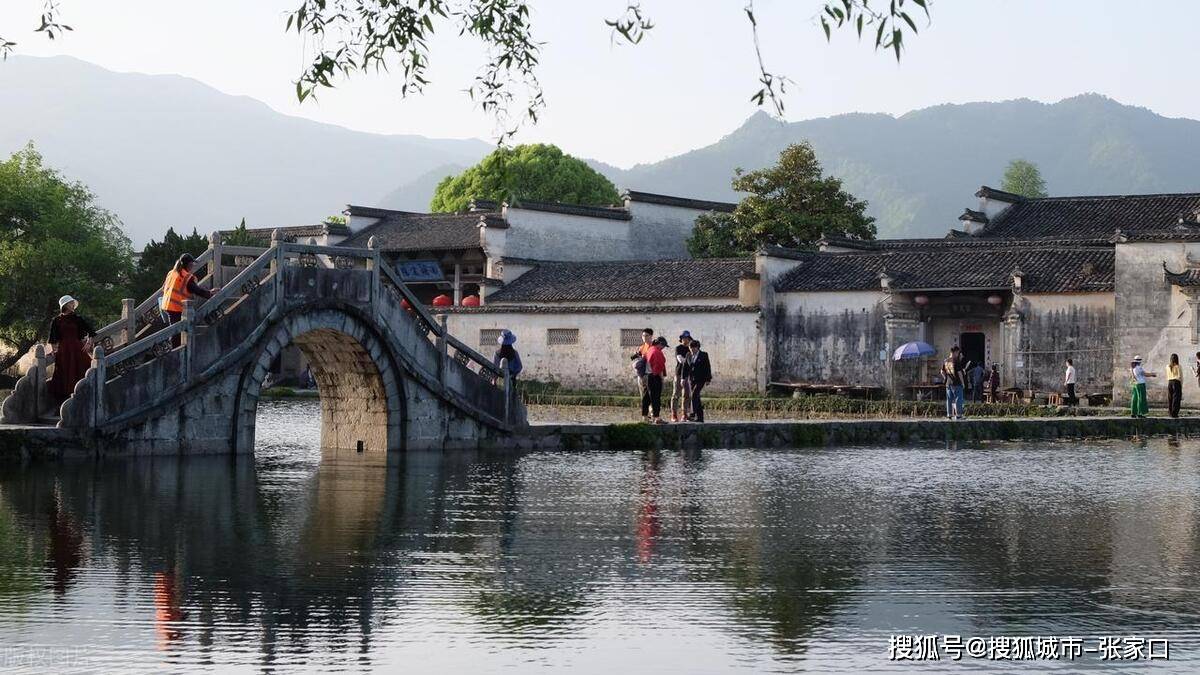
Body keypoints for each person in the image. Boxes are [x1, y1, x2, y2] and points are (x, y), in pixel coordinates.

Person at [47, 295, 95, 405]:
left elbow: (91, 331)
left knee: (83, 369)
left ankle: (80, 398)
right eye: (71, 303)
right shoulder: (57, 320)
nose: (73, 305)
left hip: (77, 349)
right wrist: (54, 350)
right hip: (63, 350)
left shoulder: (78, 319)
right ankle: (63, 402)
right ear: (65, 305)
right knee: (63, 374)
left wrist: (88, 342)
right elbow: (53, 338)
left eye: (73, 303)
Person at [160, 253, 218, 327]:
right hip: (176, 307)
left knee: (176, 331)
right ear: (188, 265)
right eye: (192, 264)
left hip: (166, 304)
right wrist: (210, 293)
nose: (193, 266)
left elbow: (163, 288)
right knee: (176, 333)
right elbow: (197, 290)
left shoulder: (171, 273)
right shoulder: (186, 276)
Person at [642, 336, 668, 424]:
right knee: (655, 397)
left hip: (646, 376)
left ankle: (645, 416)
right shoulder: (657, 352)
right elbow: (659, 367)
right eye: (663, 346)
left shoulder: (649, 350)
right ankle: (657, 417)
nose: (663, 348)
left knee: (646, 397)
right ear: (660, 344)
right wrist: (661, 379)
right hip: (654, 377)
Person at [671, 331, 694, 422]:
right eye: (684, 338)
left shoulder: (691, 349)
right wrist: (689, 362)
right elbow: (680, 359)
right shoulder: (678, 348)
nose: (686, 340)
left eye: (687, 338)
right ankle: (674, 414)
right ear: (681, 339)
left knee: (687, 395)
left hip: (688, 375)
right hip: (679, 374)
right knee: (676, 394)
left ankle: (685, 414)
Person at [688, 340, 713, 423]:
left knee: (694, 394)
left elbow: (707, 367)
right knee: (697, 398)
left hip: (701, 379)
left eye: (693, 348)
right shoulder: (689, 355)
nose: (692, 350)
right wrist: (683, 378)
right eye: (690, 348)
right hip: (692, 379)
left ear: (697, 348)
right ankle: (700, 417)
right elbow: (685, 367)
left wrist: (708, 379)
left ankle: (692, 413)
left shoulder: (703, 355)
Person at [941, 346, 967, 419]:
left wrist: (945, 377)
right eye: (958, 352)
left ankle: (949, 414)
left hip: (948, 383)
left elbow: (942, 371)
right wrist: (963, 383)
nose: (958, 354)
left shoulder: (945, 361)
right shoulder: (956, 360)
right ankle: (958, 415)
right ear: (955, 352)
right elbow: (959, 373)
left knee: (949, 399)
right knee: (958, 399)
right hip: (956, 383)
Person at [1167, 353, 1182, 418]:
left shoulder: (1167, 366)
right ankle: (1174, 413)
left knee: (1170, 398)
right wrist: (1181, 384)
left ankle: (1170, 412)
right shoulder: (1178, 366)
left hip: (1169, 382)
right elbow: (1180, 376)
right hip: (1176, 382)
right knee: (1176, 398)